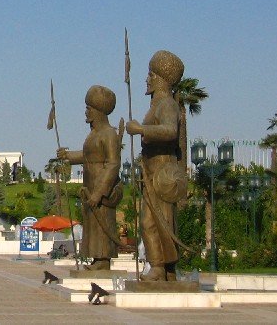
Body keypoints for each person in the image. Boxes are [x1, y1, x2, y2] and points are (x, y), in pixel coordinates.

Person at [126, 50, 188, 281]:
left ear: (161, 78)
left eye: (150, 74)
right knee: (154, 220)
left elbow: (170, 131)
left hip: (163, 172)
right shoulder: (157, 105)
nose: (147, 78)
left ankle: (160, 267)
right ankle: (164, 269)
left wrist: (141, 130)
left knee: (155, 221)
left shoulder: (167, 104)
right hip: (152, 169)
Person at [57, 85, 122, 271]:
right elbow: (87, 156)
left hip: (102, 190)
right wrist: (68, 156)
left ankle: (103, 260)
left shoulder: (109, 134)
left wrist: (100, 192)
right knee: (92, 225)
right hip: (90, 187)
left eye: (89, 108)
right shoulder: (94, 135)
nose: (86, 112)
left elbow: (113, 164)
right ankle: (96, 258)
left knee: (103, 223)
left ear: (99, 111)